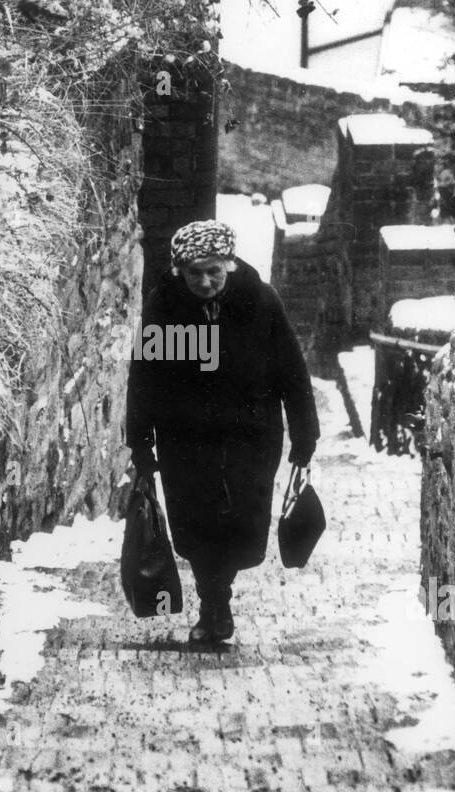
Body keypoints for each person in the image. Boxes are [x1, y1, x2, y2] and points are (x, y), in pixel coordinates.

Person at [125, 218, 320, 644]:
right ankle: (214, 602)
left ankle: (218, 597)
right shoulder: (165, 306)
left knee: (238, 524)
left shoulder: (260, 300)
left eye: (214, 270)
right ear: (180, 271)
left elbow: (292, 370)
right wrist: (140, 443)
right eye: (195, 272)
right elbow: (144, 379)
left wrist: (306, 435)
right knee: (196, 525)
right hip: (185, 439)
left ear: (229, 264)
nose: (206, 281)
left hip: (251, 438)